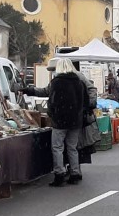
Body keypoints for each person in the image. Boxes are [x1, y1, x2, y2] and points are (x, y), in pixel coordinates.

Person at [24, 58, 88, 186]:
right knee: (72, 147)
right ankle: (75, 173)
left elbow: (48, 96)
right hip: (75, 120)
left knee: (57, 147)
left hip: (60, 120)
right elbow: (85, 101)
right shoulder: (79, 82)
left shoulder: (56, 82)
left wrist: (29, 91)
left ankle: (59, 174)